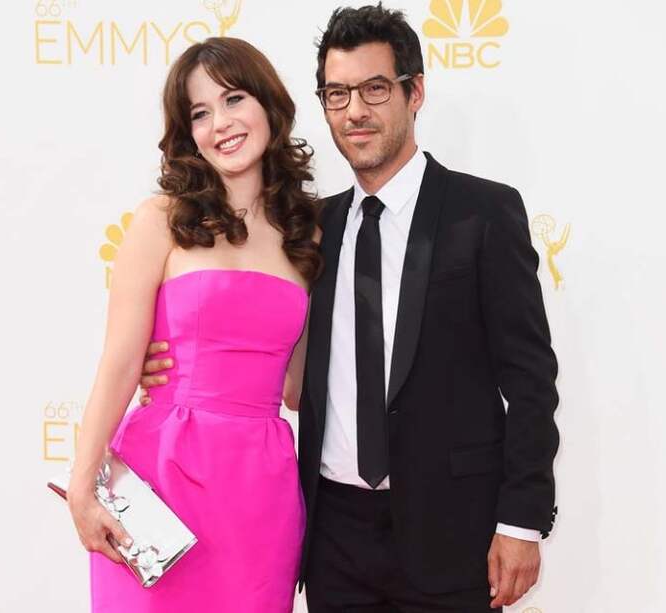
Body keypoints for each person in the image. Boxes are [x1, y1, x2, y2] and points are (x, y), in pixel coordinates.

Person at [141, 5, 560, 612]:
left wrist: (520, 521)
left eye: (373, 89)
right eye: (336, 94)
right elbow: (279, 361)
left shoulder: (483, 213)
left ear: (414, 92)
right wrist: (180, 369)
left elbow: (530, 380)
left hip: (453, 531)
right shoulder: (309, 229)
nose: (355, 111)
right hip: (332, 536)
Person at [66, 37, 321, 612]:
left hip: (262, 491)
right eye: (200, 113)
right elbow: (121, 362)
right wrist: (82, 484)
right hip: (161, 478)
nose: (221, 124)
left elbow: (299, 386)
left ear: (269, 105)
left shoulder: (308, 234)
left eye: (233, 99)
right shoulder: (162, 219)